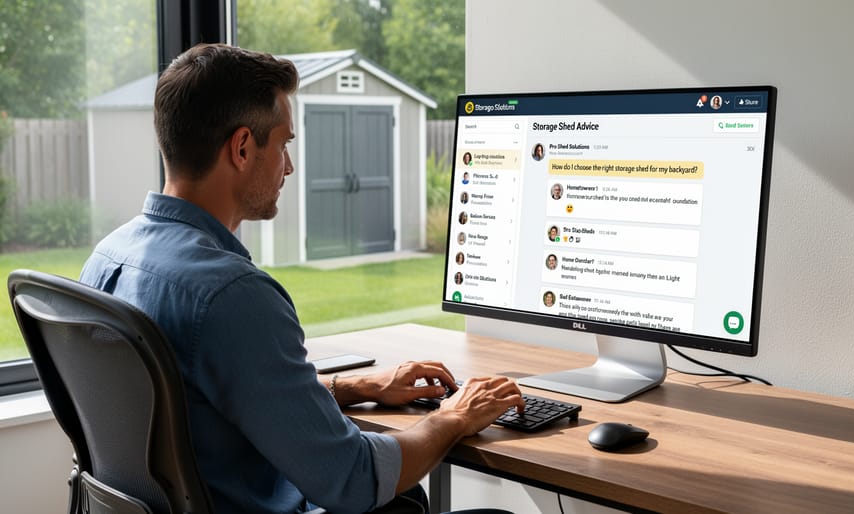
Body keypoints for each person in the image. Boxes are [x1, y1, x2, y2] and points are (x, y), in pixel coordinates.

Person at [80, 43, 523, 514]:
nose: (288, 166)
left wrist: (352, 387)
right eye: (285, 144)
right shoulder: (232, 295)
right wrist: (455, 417)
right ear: (244, 147)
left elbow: (213, 403)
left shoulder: (106, 259)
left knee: (407, 498)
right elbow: (352, 481)